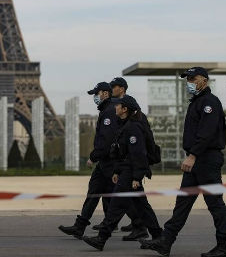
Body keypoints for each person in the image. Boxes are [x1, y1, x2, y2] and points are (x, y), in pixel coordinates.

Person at [141, 67, 226, 257]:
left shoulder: (209, 102)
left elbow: (206, 133)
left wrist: (193, 156)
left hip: (205, 159)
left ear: (204, 80)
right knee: (182, 202)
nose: (189, 81)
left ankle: (224, 246)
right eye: (187, 79)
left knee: (215, 204)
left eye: (193, 78)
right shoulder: (197, 102)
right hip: (197, 160)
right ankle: (166, 241)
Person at [82, 95, 162, 251]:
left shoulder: (133, 128)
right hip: (127, 171)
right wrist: (117, 170)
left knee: (116, 206)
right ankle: (158, 236)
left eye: (118, 106)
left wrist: (136, 177)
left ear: (125, 109)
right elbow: (122, 153)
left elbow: (138, 154)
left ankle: (102, 238)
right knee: (142, 207)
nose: (115, 108)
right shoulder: (125, 125)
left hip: (131, 173)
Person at [58, 82, 119, 239]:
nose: (95, 97)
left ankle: (144, 226)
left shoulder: (109, 111)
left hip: (109, 162)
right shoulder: (106, 109)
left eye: (96, 94)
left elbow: (107, 139)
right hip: (104, 162)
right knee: (94, 192)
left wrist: (93, 156)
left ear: (105, 93)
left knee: (123, 200)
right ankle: (80, 226)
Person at [109, 77, 150, 240]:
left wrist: (137, 175)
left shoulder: (133, 123)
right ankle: (144, 227)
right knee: (137, 201)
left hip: (132, 166)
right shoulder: (124, 117)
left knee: (120, 200)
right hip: (126, 165)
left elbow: (137, 149)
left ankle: (103, 233)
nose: (112, 88)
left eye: (115, 86)